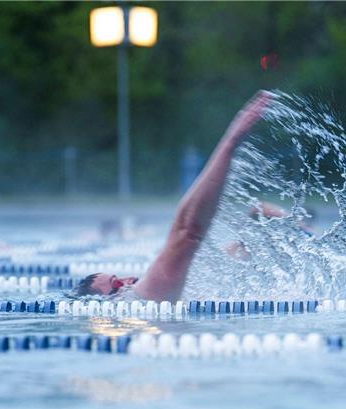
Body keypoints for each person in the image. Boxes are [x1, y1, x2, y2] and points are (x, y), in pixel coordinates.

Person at [74, 90, 273, 301]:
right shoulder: (140, 297)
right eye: (116, 284)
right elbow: (187, 232)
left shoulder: (142, 303)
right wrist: (230, 142)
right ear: (104, 303)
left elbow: (222, 254)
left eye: (118, 277)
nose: (129, 279)